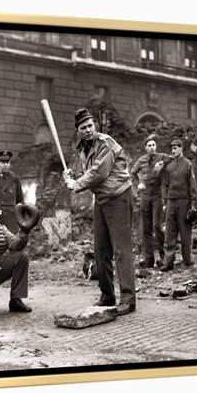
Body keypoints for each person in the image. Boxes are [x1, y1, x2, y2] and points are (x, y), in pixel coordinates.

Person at [62, 108, 135, 316]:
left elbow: (98, 172)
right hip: (102, 199)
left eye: (90, 126)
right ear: (78, 130)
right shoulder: (84, 148)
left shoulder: (105, 143)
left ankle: (128, 299)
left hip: (119, 196)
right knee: (101, 249)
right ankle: (107, 295)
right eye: (83, 127)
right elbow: (88, 172)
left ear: (95, 126)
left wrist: (76, 184)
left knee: (121, 250)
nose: (87, 130)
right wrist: (73, 175)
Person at [158, 139, 197, 272]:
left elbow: (192, 186)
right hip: (171, 201)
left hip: (184, 201)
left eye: (176, 148)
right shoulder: (168, 166)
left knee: (185, 232)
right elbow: (164, 185)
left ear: (181, 148)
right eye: (172, 148)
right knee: (169, 233)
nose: (173, 150)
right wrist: (164, 202)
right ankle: (168, 263)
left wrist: (193, 204)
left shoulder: (187, 164)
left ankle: (187, 260)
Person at [130, 133, 168, 268]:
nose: (152, 147)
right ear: (145, 148)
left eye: (153, 145)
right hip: (145, 195)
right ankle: (149, 259)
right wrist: (138, 184)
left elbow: (172, 160)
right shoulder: (141, 160)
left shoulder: (162, 156)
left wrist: (162, 163)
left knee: (157, 226)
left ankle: (165, 258)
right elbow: (132, 173)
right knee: (145, 227)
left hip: (157, 194)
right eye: (149, 145)